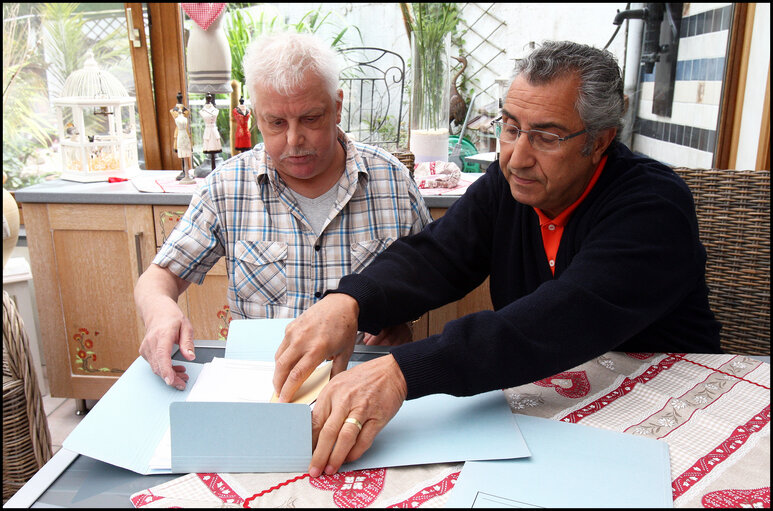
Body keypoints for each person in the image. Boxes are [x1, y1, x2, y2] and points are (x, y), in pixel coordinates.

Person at [272, 40, 722, 478]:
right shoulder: (506, 188)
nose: (517, 158)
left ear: (600, 141)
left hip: (671, 408)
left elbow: (561, 317)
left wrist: (402, 373)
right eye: (510, 128)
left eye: (546, 137)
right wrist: (350, 301)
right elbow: (437, 256)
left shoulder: (652, 206)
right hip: (554, 405)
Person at [134, 32, 432, 390]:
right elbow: (158, 278)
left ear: (337, 107)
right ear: (255, 116)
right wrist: (159, 312)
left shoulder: (393, 183)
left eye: (310, 119)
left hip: (368, 383)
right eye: (276, 123)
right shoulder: (228, 187)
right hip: (263, 387)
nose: (294, 141)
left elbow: (431, 278)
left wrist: (400, 320)